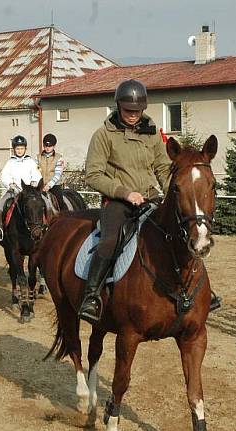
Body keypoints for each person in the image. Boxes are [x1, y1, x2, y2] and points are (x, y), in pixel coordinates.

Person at [78, 79, 172, 324]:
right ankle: (91, 296)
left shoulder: (151, 133)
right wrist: (124, 192)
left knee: (180, 233)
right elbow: (93, 175)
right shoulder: (103, 135)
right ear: (118, 106)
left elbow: (163, 167)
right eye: (128, 110)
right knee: (109, 242)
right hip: (118, 202)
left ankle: (197, 292)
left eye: (137, 111)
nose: (133, 115)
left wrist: (171, 192)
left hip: (150, 197)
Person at [0, 135, 42, 241]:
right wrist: (10, 184)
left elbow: (37, 174)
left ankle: (46, 227)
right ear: (14, 149)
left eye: (22, 148)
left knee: (44, 203)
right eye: (17, 148)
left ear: (25, 149)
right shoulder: (10, 162)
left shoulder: (30, 161)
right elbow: (4, 176)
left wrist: (35, 181)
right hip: (14, 191)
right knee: (0, 205)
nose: (20, 151)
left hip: (29, 192)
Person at [38, 133, 65, 210]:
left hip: (54, 185)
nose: (47, 148)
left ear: (54, 146)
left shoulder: (59, 158)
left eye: (50, 146)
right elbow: (36, 171)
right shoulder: (38, 157)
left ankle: (64, 217)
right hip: (41, 185)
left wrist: (49, 185)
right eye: (46, 146)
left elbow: (58, 174)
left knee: (60, 202)